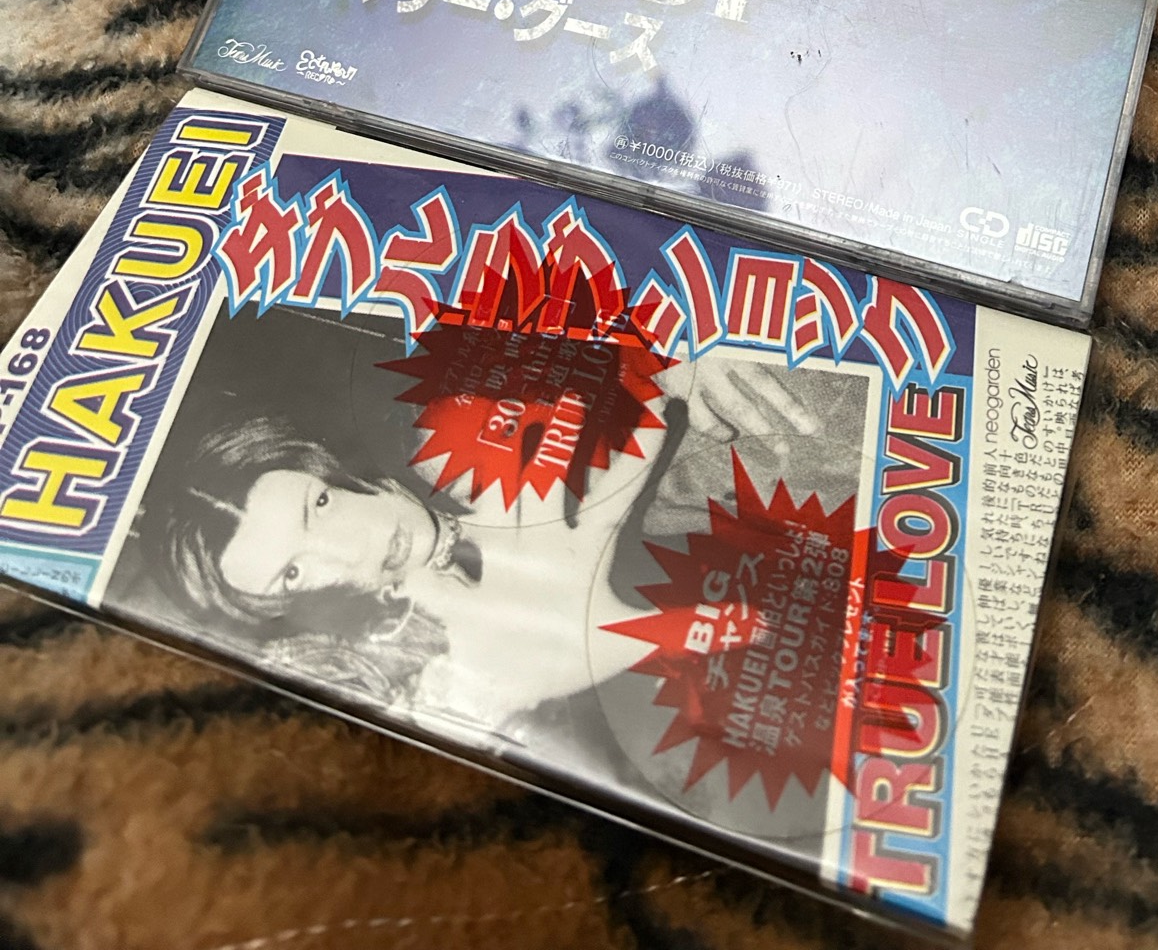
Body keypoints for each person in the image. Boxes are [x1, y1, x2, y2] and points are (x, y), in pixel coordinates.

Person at [134, 342, 865, 803]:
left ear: (329, 464)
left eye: (319, 505)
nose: (352, 552)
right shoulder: (446, 687)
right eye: (292, 575)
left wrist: (673, 346)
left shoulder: (431, 415)